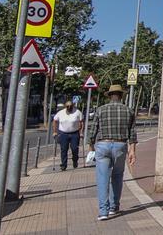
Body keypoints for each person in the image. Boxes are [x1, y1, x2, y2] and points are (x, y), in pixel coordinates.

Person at [87, 85, 137, 221]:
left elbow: (93, 130)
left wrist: (90, 146)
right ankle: (114, 207)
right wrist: (132, 151)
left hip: (103, 145)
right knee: (117, 176)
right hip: (120, 145)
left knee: (103, 178)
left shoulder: (100, 110)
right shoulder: (129, 111)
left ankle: (103, 212)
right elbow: (132, 133)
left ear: (109, 96)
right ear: (121, 96)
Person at [53, 100, 85, 170]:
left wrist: (81, 132)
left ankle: (75, 161)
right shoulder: (60, 113)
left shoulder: (77, 112)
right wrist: (55, 132)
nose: (69, 108)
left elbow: (81, 122)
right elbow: (55, 121)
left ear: (73, 106)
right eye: (67, 106)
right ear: (65, 107)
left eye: (71, 106)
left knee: (74, 149)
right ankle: (63, 165)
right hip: (63, 133)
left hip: (75, 133)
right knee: (64, 149)